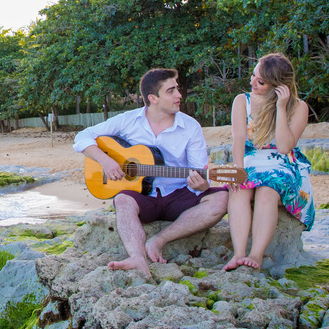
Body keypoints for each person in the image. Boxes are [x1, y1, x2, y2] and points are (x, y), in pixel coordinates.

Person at [74, 68, 228, 279]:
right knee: (122, 200)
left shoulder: (190, 127)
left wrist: (201, 185)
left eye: (178, 89)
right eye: (171, 91)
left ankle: (159, 240)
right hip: (142, 197)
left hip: (178, 195)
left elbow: (198, 173)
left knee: (221, 198)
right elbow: (83, 137)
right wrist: (107, 161)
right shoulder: (128, 120)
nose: (179, 95)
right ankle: (136, 257)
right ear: (153, 98)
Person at [224, 53, 314, 272]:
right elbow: (238, 140)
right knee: (239, 190)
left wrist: (281, 107)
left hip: (281, 162)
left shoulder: (298, 107)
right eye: (253, 76)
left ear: (278, 86)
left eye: (261, 82)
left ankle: (256, 254)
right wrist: (238, 170)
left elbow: (284, 147)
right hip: (249, 159)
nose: (252, 83)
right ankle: (238, 253)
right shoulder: (241, 101)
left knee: (267, 191)